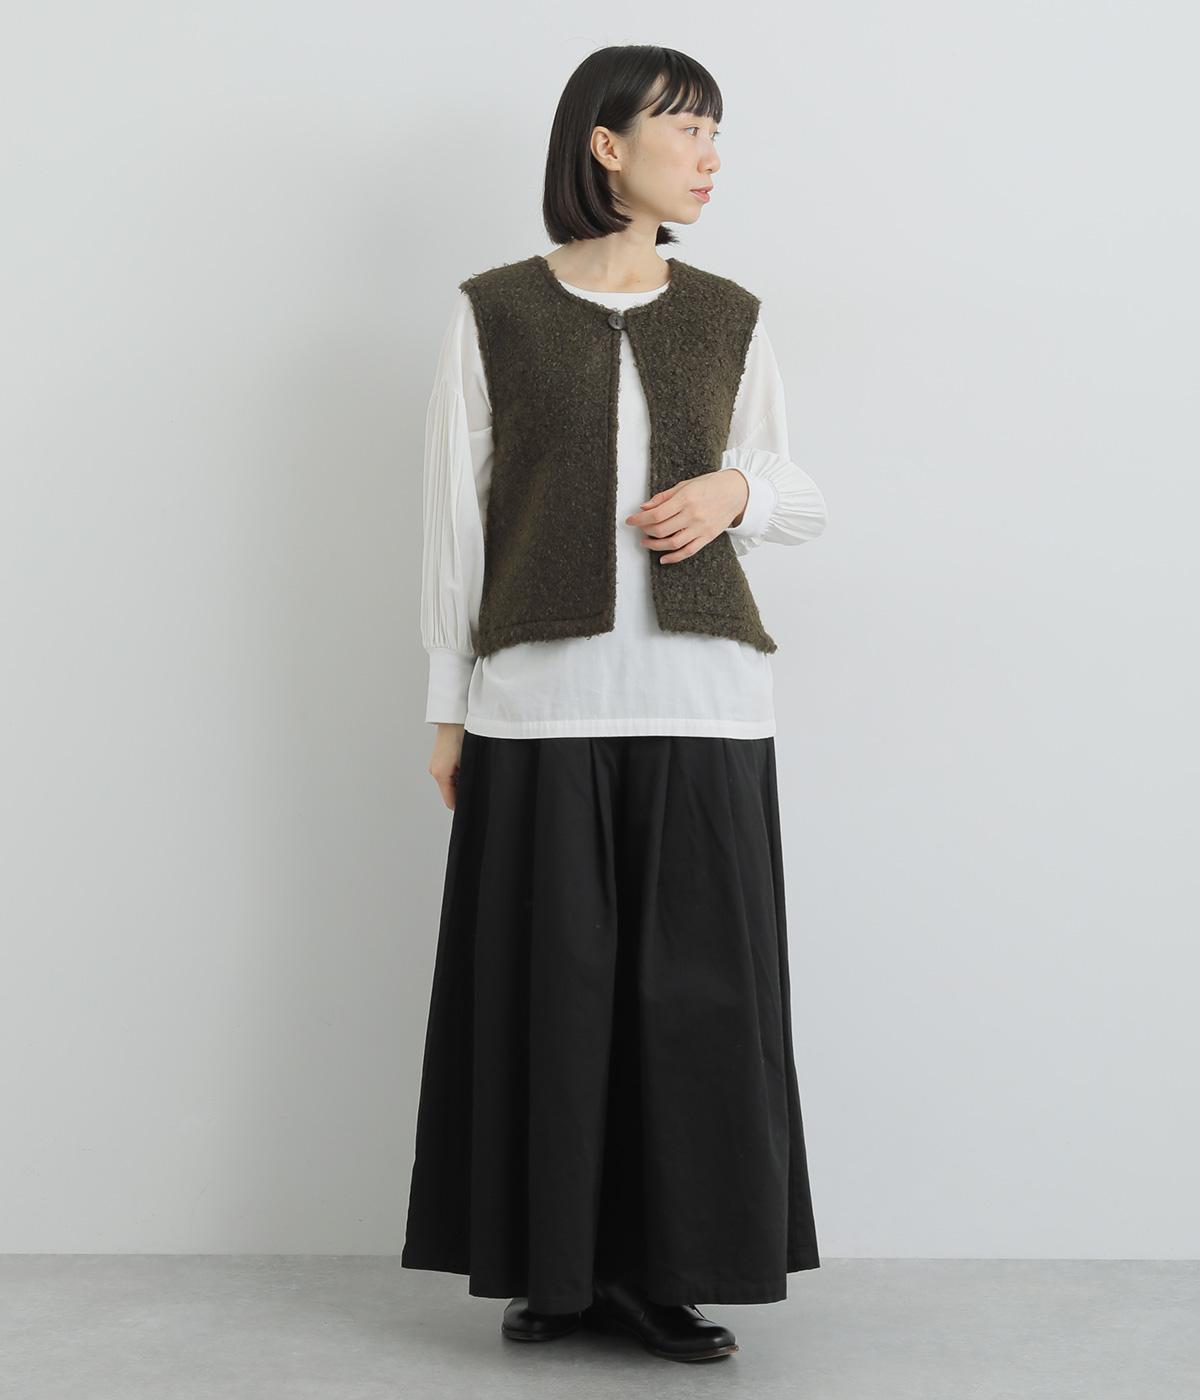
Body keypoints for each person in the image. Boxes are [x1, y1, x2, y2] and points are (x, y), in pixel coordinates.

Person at [401, 44, 829, 1364]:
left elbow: (795, 488)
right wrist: (448, 709)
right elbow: (453, 526)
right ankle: (556, 1272)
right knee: (554, 999)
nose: (709, 156)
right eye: (685, 129)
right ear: (606, 143)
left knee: (696, 1003)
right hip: (539, 703)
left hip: (706, 702)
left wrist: (737, 494)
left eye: (716, 133)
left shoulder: (732, 314)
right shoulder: (493, 311)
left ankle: (668, 1275)